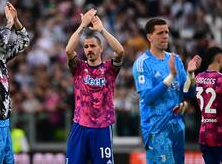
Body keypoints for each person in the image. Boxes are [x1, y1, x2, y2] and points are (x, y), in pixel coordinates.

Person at [132, 18, 202, 164]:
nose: (165, 36)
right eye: (160, 33)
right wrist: (171, 76)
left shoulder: (175, 59)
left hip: (177, 127)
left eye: (167, 32)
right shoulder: (143, 63)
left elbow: (188, 92)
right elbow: (148, 97)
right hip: (156, 129)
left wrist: (190, 74)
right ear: (149, 37)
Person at [65, 9, 124, 164]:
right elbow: (68, 50)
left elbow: (120, 51)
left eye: (92, 46)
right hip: (80, 126)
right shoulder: (79, 68)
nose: (89, 49)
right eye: (86, 47)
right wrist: (82, 26)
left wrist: (102, 30)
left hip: (102, 127)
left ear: (101, 48)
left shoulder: (109, 69)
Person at [0, 2, 30, 164]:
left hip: (5, 121)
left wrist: (16, 20)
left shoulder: (1, 59)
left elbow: (24, 41)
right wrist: (8, 22)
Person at [195, 46, 222, 164]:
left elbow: (187, 92)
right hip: (219, 135)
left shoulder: (198, 78)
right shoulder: (220, 79)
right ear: (219, 59)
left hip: (204, 135)